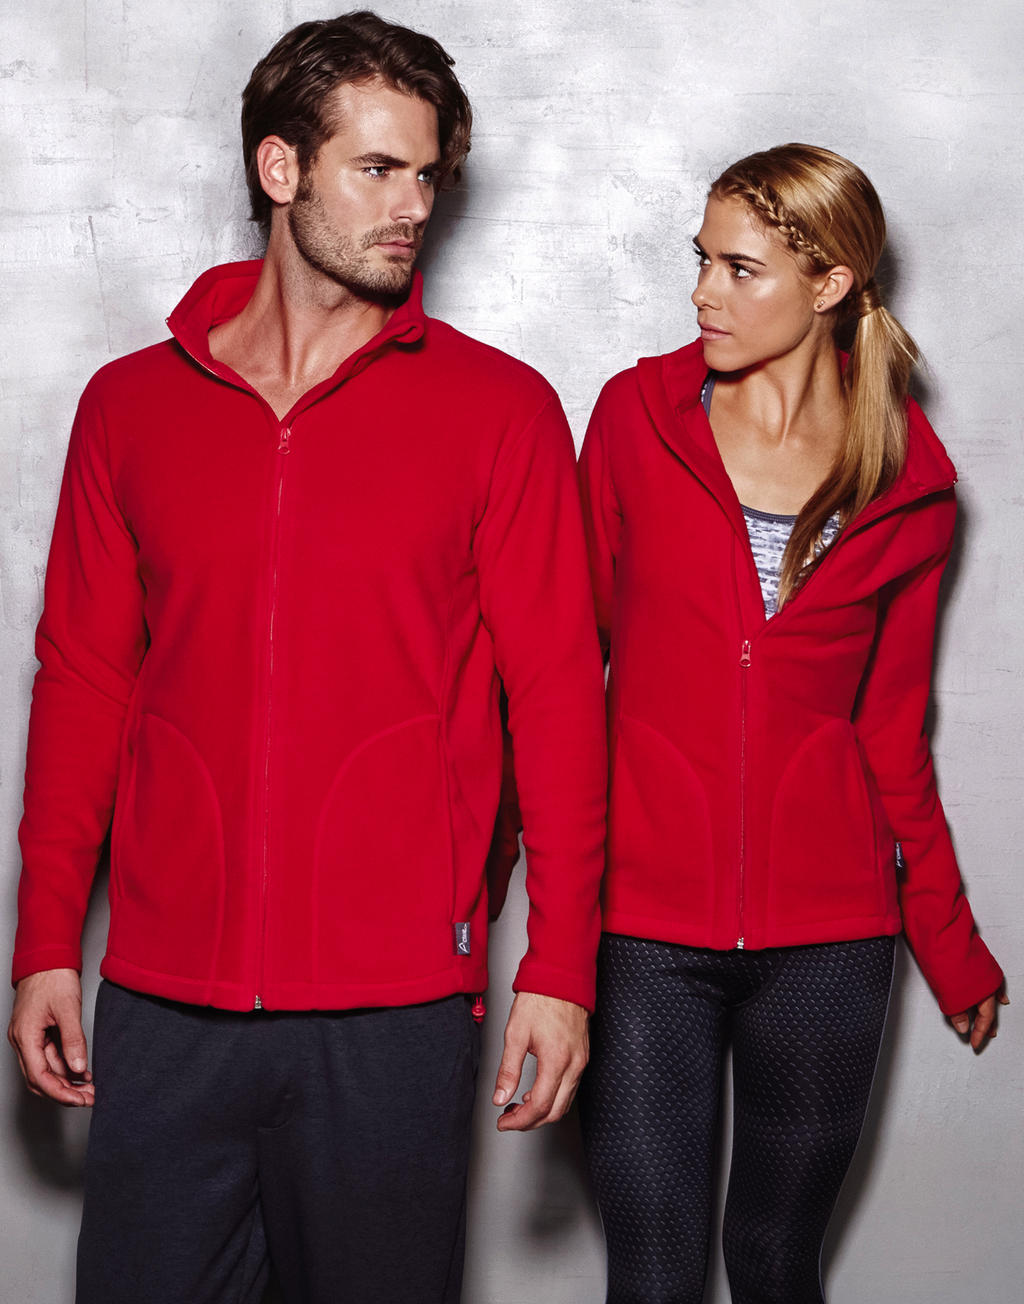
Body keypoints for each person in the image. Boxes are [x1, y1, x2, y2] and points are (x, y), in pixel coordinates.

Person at [7, 12, 607, 1303]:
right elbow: (84, 680)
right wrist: (45, 933)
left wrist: (561, 967)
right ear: (279, 168)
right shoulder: (129, 409)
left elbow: (558, 699)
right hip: (165, 1001)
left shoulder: (499, 412)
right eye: (376, 169)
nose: (414, 206)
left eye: (429, 174)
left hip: (395, 1010)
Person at [573, 143, 1007, 1303]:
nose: (701, 292)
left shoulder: (907, 484)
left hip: (831, 939)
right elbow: (565, 673)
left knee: (774, 1264)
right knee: (652, 1275)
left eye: (739, 268)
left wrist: (949, 941)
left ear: (830, 283)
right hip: (644, 929)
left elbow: (892, 733)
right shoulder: (635, 421)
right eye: (701, 260)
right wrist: (500, 870)